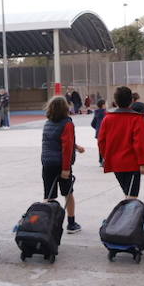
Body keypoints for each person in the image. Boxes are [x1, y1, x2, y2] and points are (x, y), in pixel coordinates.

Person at [40, 95, 85, 233]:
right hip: (61, 163)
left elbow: (58, 141)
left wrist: (76, 147)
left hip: (47, 163)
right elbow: (66, 147)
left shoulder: (48, 123)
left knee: (49, 196)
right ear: (65, 108)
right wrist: (66, 169)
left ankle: (46, 225)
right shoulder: (67, 123)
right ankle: (71, 224)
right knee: (68, 193)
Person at [98, 86, 144, 199]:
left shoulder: (107, 119)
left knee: (127, 194)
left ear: (115, 102)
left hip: (116, 163)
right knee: (132, 197)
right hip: (132, 164)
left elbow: (101, 141)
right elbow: (140, 143)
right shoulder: (137, 119)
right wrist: (143, 163)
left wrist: (107, 157)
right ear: (131, 100)